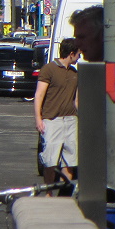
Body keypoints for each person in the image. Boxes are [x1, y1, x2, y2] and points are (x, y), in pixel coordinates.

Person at [33, 37, 79, 189]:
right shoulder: (49, 69)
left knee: (70, 161)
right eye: (78, 54)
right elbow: (39, 95)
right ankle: (48, 193)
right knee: (50, 161)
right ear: (71, 53)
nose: (80, 57)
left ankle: (64, 194)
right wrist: (39, 119)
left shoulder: (75, 73)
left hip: (71, 120)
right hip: (52, 120)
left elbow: (76, 100)